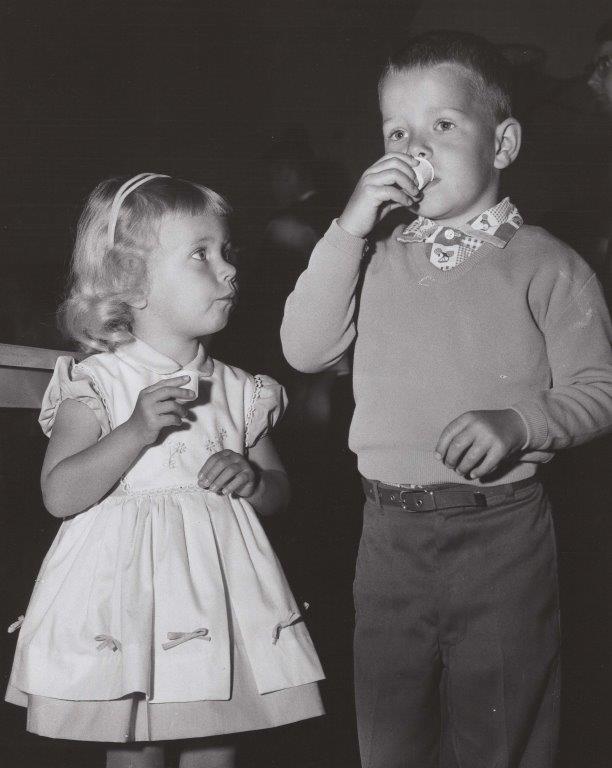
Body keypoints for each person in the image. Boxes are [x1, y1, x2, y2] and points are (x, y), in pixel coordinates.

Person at [281, 30, 612, 768]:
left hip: (501, 535)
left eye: (442, 125)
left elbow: (600, 390)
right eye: (396, 131)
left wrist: (522, 421)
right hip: (387, 534)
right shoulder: (372, 256)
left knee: (501, 730)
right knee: (389, 730)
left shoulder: (549, 266)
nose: (415, 148)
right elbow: (306, 349)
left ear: (503, 143)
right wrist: (349, 225)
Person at [5, 173, 324, 768]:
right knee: (139, 746)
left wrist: (253, 481)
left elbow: (279, 493)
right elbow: (59, 493)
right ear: (132, 285)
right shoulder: (98, 382)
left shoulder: (240, 390)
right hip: (129, 607)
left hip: (220, 599)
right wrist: (134, 431)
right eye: (200, 254)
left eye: (227, 252)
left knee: (216, 743)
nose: (228, 270)